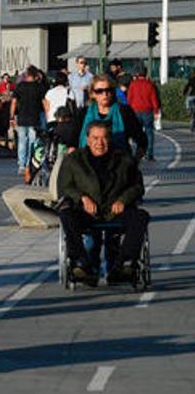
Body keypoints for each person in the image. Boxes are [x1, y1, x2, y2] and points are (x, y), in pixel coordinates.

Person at [58, 121, 149, 285]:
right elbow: (64, 187)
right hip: (86, 212)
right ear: (87, 139)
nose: (99, 143)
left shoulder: (124, 159)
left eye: (104, 138)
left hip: (115, 211)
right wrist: (82, 198)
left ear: (110, 139)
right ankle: (82, 264)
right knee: (66, 215)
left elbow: (137, 186)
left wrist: (123, 200)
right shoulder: (73, 160)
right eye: (95, 138)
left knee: (140, 217)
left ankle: (123, 264)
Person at [76, 74, 146, 156]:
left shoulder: (124, 112)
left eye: (108, 90)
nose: (105, 94)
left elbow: (141, 139)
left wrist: (134, 161)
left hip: (119, 163)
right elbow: (73, 140)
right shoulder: (84, 113)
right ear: (92, 94)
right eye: (99, 91)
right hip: (88, 164)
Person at [10, 67, 47, 175]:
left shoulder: (20, 86)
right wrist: (48, 116)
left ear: (26, 75)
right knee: (33, 141)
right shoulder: (40, 87)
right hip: (34, 118)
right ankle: (29, 163)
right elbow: (44, 102)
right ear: (35, 75)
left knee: (22, 141)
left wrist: (11, 117)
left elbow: (14, 102)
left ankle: (21, 165)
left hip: (22, 117)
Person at [126, 68, 160, 161]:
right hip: (148, 111)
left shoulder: (133, 84)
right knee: (149, 133)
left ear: (137, 74)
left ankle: (139, 152)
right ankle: (150, 154)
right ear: (146, 74)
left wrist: (128, 110)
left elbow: (129, 98)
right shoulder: (150, 85)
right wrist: (156, 111)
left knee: (137, 133)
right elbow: (154, 99)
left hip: (135, 111)